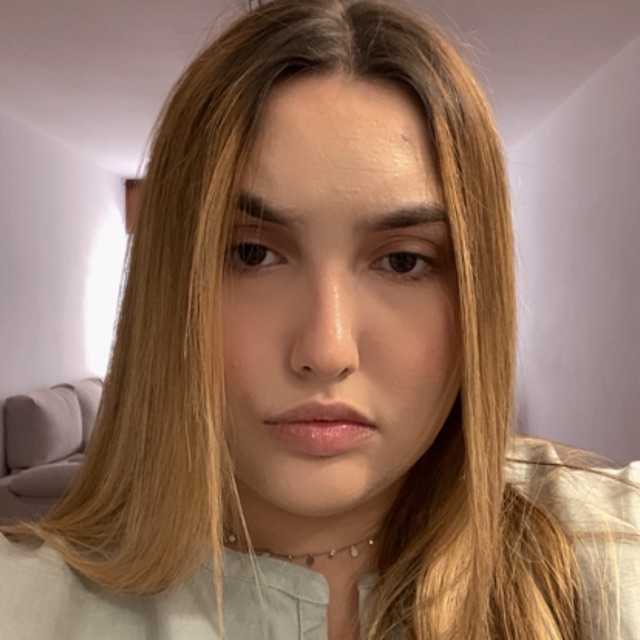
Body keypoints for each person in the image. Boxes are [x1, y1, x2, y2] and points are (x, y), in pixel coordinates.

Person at [1, 1, 639, 638]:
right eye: (251, 254)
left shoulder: (611, 550)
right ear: (169, 287)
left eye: (403, 261)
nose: (327, 351)